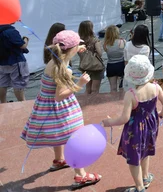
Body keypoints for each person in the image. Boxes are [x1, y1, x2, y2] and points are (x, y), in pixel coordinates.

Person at [21, 30, 102, 188]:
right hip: (61, 110)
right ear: (70, 49)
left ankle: (59, 160)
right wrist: (80, 84)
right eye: (77, 45)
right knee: (75, 140)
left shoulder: (54, 61)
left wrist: (76, 49)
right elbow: (60, 96)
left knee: (60, 135)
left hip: (46, 108)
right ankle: (81, 176)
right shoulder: (64, 69)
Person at [102, 55, 163, 192]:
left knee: (134, 159)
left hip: (135, 130)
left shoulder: (131, 94)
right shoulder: (156, 87)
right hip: (152, 125)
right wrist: (161, 114)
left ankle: (139, 187)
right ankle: (145, 177)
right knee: (145, 151)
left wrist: (109, 122)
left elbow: (124, 118)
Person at [0, 22, 30, 103]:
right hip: (16, 61)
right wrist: (26, 39)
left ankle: (3, 103)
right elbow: (22, 46)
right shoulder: (11, 31)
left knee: (2, 84)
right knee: (18, 84)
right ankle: (22, 103)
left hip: (2, 62)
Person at [77, 20, 104, 94]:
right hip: (96, 67)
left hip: (84, 66)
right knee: (95, 89)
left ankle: (86, 104)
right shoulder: (95, 40)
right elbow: (100, 53)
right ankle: (94, 104)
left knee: (88, 89)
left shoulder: (79, 41)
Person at [103, 25, 126, 92]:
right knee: (122, 87)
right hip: (121, 65)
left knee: (113, 88)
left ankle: (113, 100)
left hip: (111, 65)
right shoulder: (123, 41)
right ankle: (122, 101)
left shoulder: (105, 44)